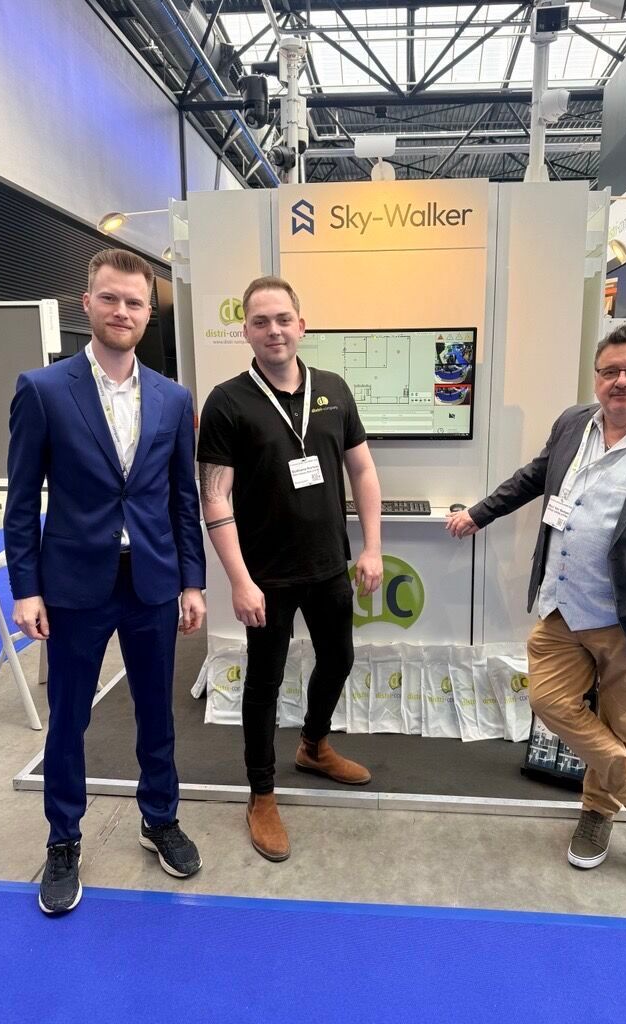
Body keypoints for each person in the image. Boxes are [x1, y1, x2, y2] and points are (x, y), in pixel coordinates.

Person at [446, 324, 626, 875]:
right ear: (597, 377)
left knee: (622, 726)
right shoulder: (575, 423)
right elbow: (535, 476)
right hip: (561, 603)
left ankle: (596, 816)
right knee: (550, 702)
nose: (620, 381)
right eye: (609, 371)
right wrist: (480, 512)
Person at [4, 248, 207, 915]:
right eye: (111, 298)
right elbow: (21, 497)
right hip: (72, 582)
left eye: (135, 302)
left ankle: (160, 819)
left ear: (149, 315)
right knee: (69, 717)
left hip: (151, 579)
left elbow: (182, 498)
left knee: (157, 710)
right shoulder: (42, 390)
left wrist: (193, 581)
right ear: (86, 303)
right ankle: (63, 839)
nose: (123, 311)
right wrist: (27, 588)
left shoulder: (176, 400)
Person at [197, 275, 382, 862]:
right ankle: (261, 792)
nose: (273, 330)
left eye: (283, 319)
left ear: (302, 325)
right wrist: (239, 580)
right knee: (264, 681)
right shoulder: (227, 402)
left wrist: (372, 547)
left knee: (340, 659)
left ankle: (313, 745)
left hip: (328, 564)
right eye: (260, 321)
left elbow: (364, 472)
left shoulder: (334, 388)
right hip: (265, 576)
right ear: (246, 331)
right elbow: (215, 497)